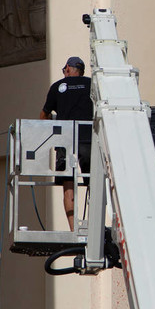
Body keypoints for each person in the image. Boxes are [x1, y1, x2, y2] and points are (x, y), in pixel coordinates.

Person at [41, 56, 93, 228]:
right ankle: (95, 226)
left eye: (64, 69)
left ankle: (73, 229)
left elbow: (43, 115)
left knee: (68, 183)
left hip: (64, 140)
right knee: (92, 181)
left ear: (69, 69)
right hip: (87, 139)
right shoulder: (91, 84)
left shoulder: (57, 87)